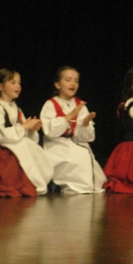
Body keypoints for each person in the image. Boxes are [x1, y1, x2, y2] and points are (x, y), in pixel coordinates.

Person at [0, 69, 53, 197]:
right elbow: (0, 135)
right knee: (19, 153)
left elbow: (21, 131)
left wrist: (30, 130)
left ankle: (36, 181)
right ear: (0, 86)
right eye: (13, 83)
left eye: (19, 83)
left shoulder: (15, 107)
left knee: (29, 147)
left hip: (8, 144)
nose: (18, 86)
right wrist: (24, 126)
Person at [40, 66, 106, 194]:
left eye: (76, 81)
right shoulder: (50, 104)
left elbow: (84, 137)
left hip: (74, 142)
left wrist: (85, 124)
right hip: (55, 144)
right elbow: (49, 130)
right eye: (68, 80)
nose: (73, 84)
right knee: (72, 159)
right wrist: (69, 116)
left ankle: (85, 188)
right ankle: (72, 188)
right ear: (57, 84)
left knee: (86, 158)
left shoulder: (80, 105)